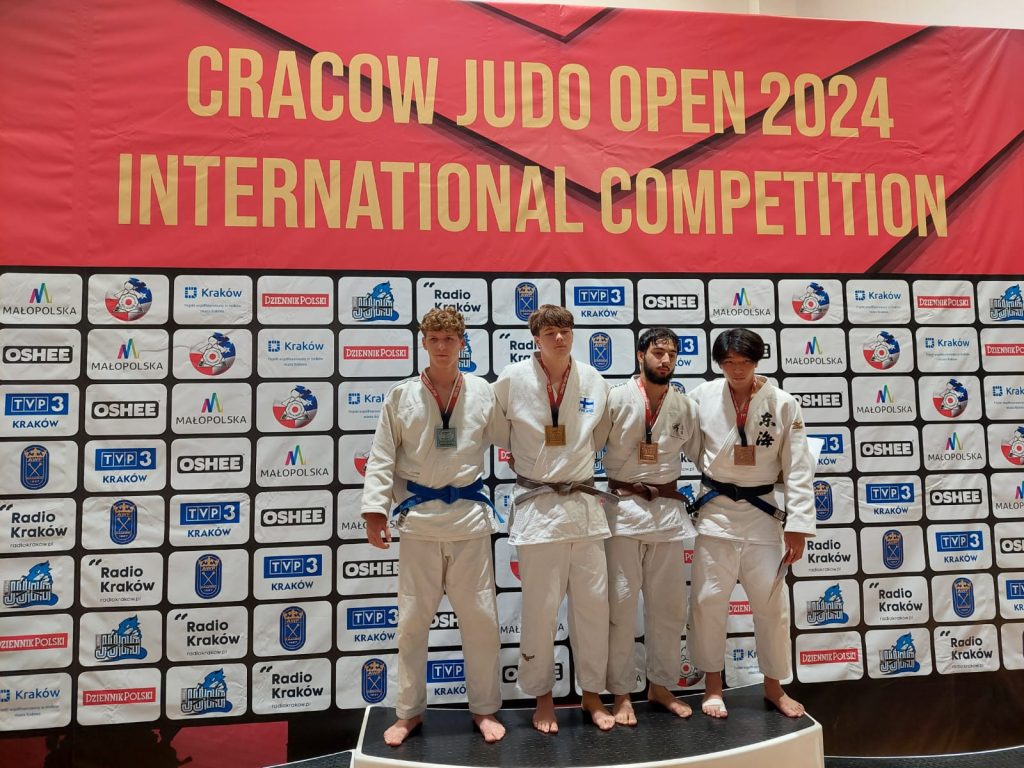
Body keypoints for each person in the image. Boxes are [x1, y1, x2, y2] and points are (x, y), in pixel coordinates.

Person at [361, 307, 504, 745]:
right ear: (423, 343)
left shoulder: (482, 391)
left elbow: (513, 437)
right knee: (411, 623)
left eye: (450, 339)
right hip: (420, 523)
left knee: (481, 620)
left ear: (462, 343)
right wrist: (375, 510)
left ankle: (484, 708)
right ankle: (408, 712)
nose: (442, 347)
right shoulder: (401, 395)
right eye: (434, 339)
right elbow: (382, 455)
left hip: (469, 521)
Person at [491, 305, 615, 733]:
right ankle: (542, 696)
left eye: (565, 330)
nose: (559, 338)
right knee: (540, 610)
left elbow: (599, 435)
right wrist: (531, 461)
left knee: (593, 607)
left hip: (583, 506)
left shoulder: (593, 379)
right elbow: (498, 431)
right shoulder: (512, 379)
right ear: (535, 338)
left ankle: (592, 694)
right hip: (538, 507)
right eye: (550, 332)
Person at [687, 328, 815, 719]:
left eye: (744, 362)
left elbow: (798, 467)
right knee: (708, 602)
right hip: (716, 513)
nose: (737, 370)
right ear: (719, 363)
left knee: (771, 606)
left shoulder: (782, 403)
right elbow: (689, 446)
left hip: (762, 515)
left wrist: (798, 524)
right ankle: (712, 687)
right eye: (728, 362)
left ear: (757, 362)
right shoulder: (701, 396)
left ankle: (774, 686)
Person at [602, 328, 701, 725]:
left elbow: (706, 454)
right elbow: (585, 444)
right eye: (658, 352)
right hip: (623, 512)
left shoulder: (684, 405)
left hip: (667, 516)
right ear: (640, 354)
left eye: (672, 354)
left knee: (669, 609)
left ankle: (661, 685)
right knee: (621, 607)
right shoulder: (616, 398)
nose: (665, 360)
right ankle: (621, 692)